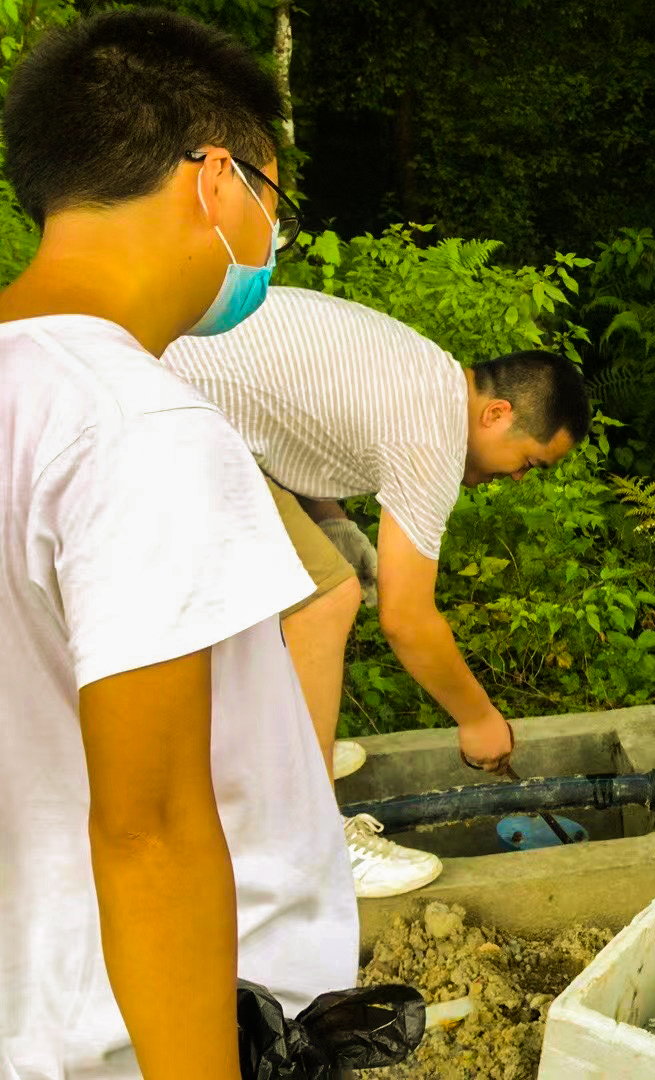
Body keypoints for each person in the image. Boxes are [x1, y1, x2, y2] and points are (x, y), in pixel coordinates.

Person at [0, 10, 357, 1077]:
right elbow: (150, 828)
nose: (269, 240)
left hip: (38, 1001)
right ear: (217, 180)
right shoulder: (138, 428)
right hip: (158, 1030)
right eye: (270, 202)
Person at [161, 285, 592, 898]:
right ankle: (310, 836)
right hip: (168, 416)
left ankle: (282, 753)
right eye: (529, 461)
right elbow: (407, 620)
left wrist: (331, 521)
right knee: (325, 601)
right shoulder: (434, 431)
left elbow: (289, 422)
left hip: (175, 397)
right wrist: (478, 719)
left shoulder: (424, 376)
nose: (518, 479)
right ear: (496, 414)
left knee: (314, 574)